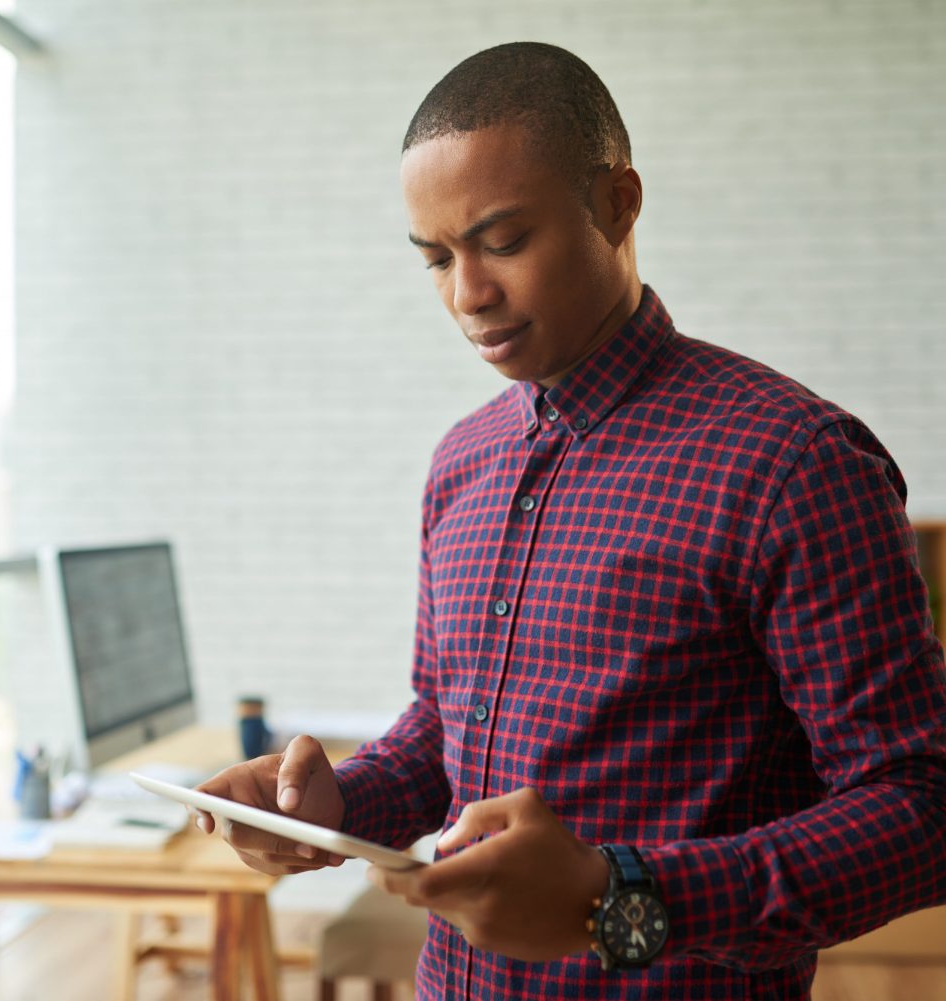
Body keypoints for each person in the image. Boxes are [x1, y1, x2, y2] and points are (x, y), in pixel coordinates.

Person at [196, 42, 946, 1000]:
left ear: (618, 205)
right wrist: (332, 802)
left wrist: (615, 897)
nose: (468, 295)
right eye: (436, 258)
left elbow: (920, 805)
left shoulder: (793, 463)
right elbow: (443, 727)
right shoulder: (462, 462)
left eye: (503, 242)